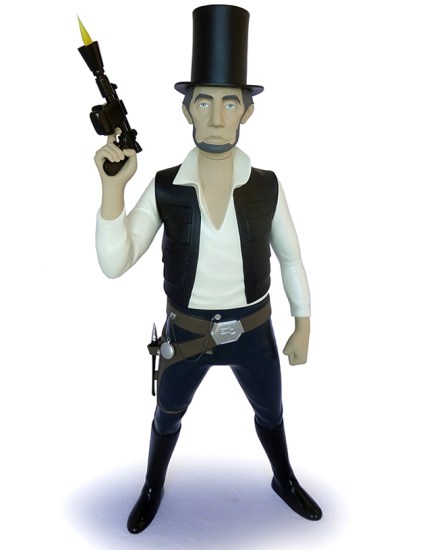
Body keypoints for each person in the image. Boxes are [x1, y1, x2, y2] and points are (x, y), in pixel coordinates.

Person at [94, 5, 322, 534]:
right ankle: (153, 485)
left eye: (229, 102)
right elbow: (114, 263)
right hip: (186, 334)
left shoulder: (267, 186)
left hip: (254, 330)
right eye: (204, 101)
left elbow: (291, 257)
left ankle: (283, 476)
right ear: (186, 111)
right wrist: (112, 191)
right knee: (167, 414)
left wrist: (304, 322)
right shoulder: (165, 186)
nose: (217, 116)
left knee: (271, 412)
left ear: (247, 111)